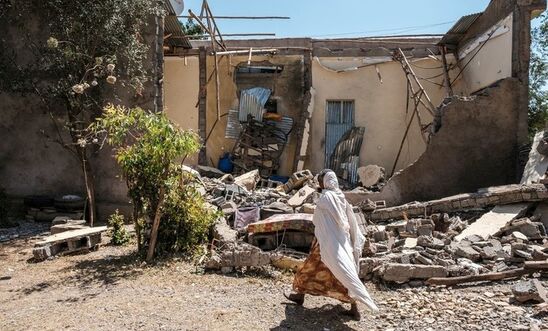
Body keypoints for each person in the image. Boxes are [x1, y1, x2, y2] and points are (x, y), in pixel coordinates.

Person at [284, 169, 379, 320]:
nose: (319, 182)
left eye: (321, 180)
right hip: (339, 241)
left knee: (310, 268)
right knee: (340, 273)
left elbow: (319, 218)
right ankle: (352, 307)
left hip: (326, 242)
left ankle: (300, 295)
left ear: (325, 181)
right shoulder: (340, 195)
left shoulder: (327, 197)